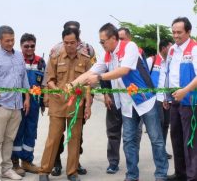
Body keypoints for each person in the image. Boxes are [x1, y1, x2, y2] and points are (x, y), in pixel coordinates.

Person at [70, 23, 168, 181]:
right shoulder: (107, 55)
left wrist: (100, 77)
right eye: (100, 42)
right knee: (129, 140)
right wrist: (72, 84)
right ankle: (132, 175)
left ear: (113, 38)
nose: (101, 45)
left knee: (156, 139)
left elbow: (124, 70)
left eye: (103, 41)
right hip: (127, 104)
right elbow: (91, 72)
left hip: (145, 101)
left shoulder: (130, 46)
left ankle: (161, 175)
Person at [38, 28, 92, 181]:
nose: (69, 46)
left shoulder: (86, 59)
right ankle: (44, 171)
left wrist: (88, 105)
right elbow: (49, 80)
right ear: (63, 42)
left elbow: (88, 84)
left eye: (72, 43)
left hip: (76, 106)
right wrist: (58, 91)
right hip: (58, 104)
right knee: (53, 138)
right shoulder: (55, 58)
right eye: (66, 43)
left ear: (78, 42)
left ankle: (72, 172)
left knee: (74, 138)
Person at [0, 25, 30, 181]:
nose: (10, 43)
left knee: (9, 139)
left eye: (12, 40)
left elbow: (24, 78)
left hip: (17, 106)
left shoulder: (19, 56)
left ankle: (6, 169)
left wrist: (27, 98)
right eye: (7, 41)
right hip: (1, 105)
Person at [165, 17, 197, 181]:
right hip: (174, 99)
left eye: (179, 32)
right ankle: (180, 173)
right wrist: (166, 95)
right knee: (176, 137)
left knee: (190, 141)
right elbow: (169, 73)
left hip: (190, 101)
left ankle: (192, 176)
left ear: (188, 32)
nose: (176, 35)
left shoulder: (194, 49)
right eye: (174, 32)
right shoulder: (172, 50)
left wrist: (185, 91)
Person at [11, 33, 46, 176]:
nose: (30, 49)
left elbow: (43, 84)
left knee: (31, 131)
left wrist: (43, 101)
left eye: (32, 46)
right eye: (26, 46)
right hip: (18, 102)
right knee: (17, 131)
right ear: (21, 46)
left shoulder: (41, 62)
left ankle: (27, 162)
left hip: (35, 103)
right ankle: (14, 163)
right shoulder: (16, 60)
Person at [147, 40, 173, 160]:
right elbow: (144, 78)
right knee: (159, 124)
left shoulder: (170, 62)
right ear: (163, 48)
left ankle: (162, 150)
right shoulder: (151, 61)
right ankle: (158, 151)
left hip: (167, 98)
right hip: (155, 98)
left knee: (166, 124)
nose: (172, 49)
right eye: (170, 47)